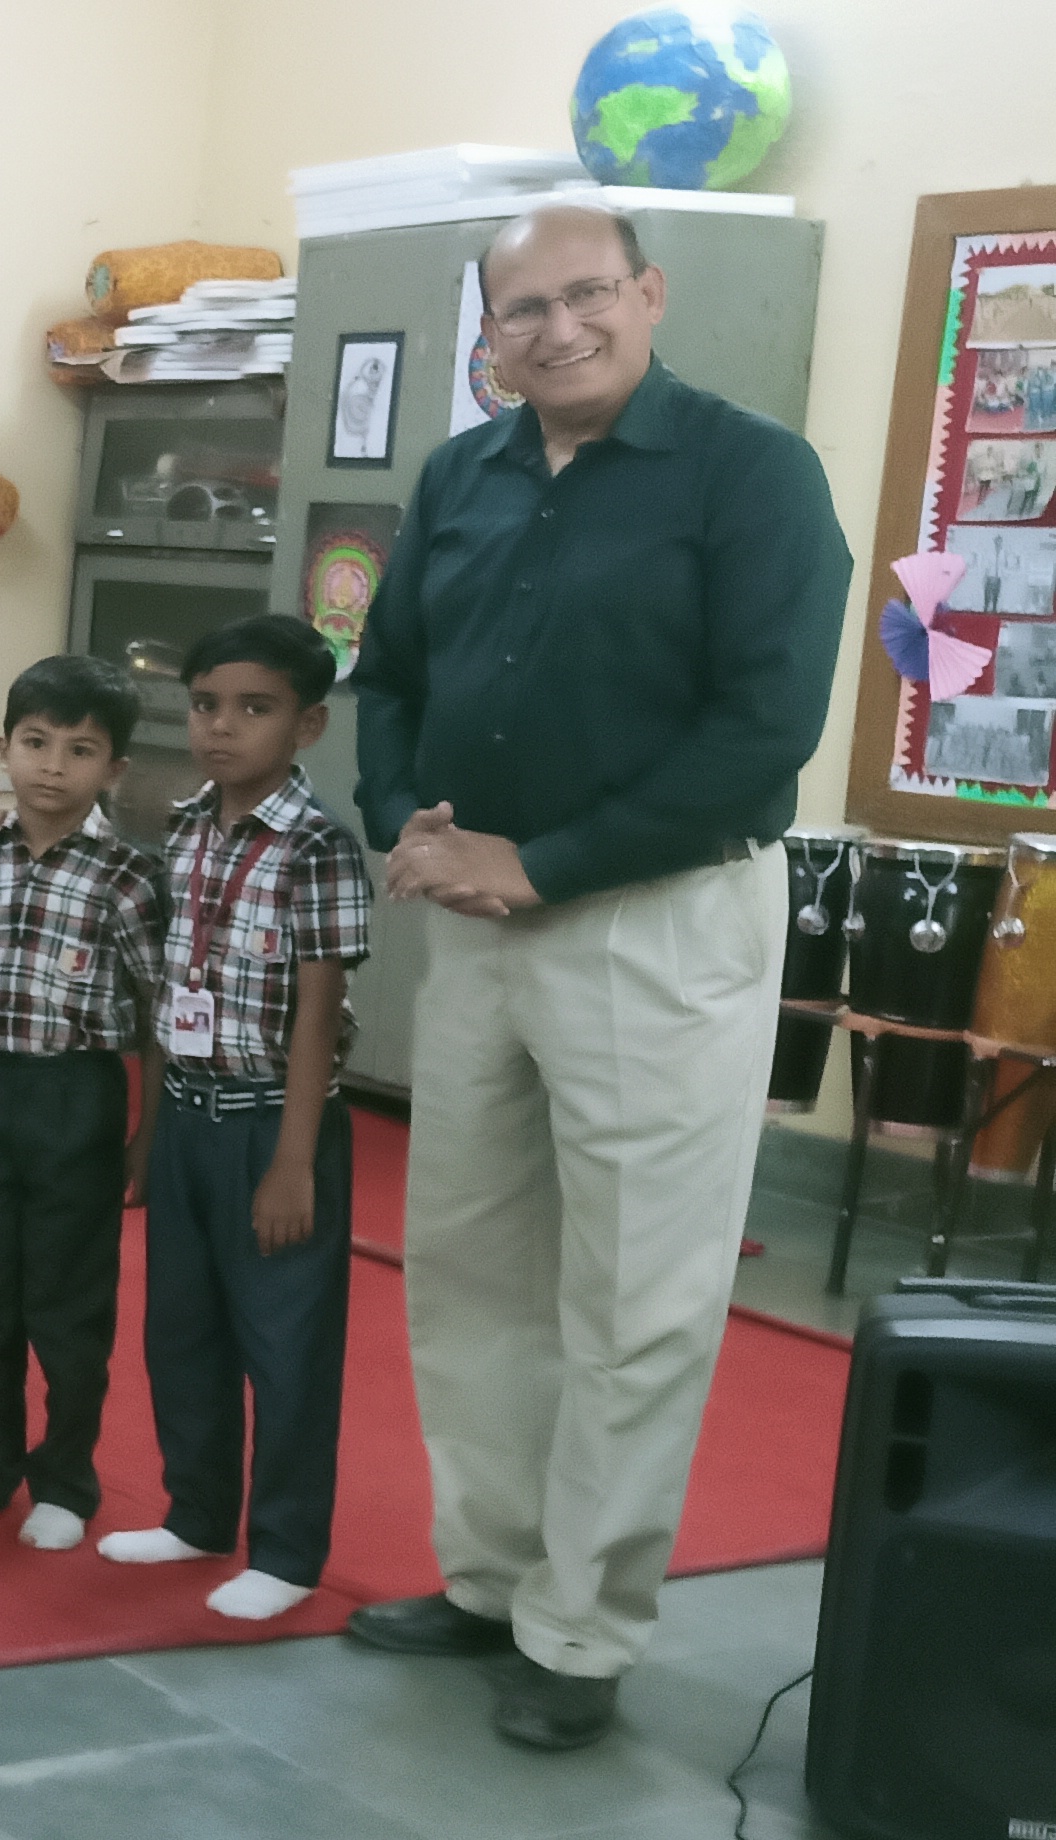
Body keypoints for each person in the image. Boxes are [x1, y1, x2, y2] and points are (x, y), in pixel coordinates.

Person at [343, 203, 852, 1751]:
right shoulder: (463, 474)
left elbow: (764, 727)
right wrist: (404, 822)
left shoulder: (752, 474)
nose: (558, 329)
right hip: (476, 922)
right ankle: (493, 1578)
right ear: (490, 332)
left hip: (658, 920)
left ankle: (581, 1628)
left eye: (587, 295)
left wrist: (546, 863)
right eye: (525, 309)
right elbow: (393, 673)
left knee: (637, 1292)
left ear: (649, 292)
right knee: (473, 1267)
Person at [108, 615, 372, 1626]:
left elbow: (317, 1011)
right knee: (182, 1327)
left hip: (274, 1122)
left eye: (253, 709)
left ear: (306, 725)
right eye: (206, 706)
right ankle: (197, 1512)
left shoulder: (316, 846)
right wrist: (148, 1133)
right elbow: (165, 990)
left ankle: (289, 1550)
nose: (221, 727)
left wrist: (294, 1160)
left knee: (285, 1343)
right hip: (187, 1112)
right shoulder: (184, 826)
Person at [0, 655, 161, 1554]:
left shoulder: (129, 877)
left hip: (74, 1097)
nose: (53, 766)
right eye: (37, 742)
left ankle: (66, 1483)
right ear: (4, 746)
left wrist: (146, 1135)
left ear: (113, 767)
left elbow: (157, 1014)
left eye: (80, 750)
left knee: (67, 1303)